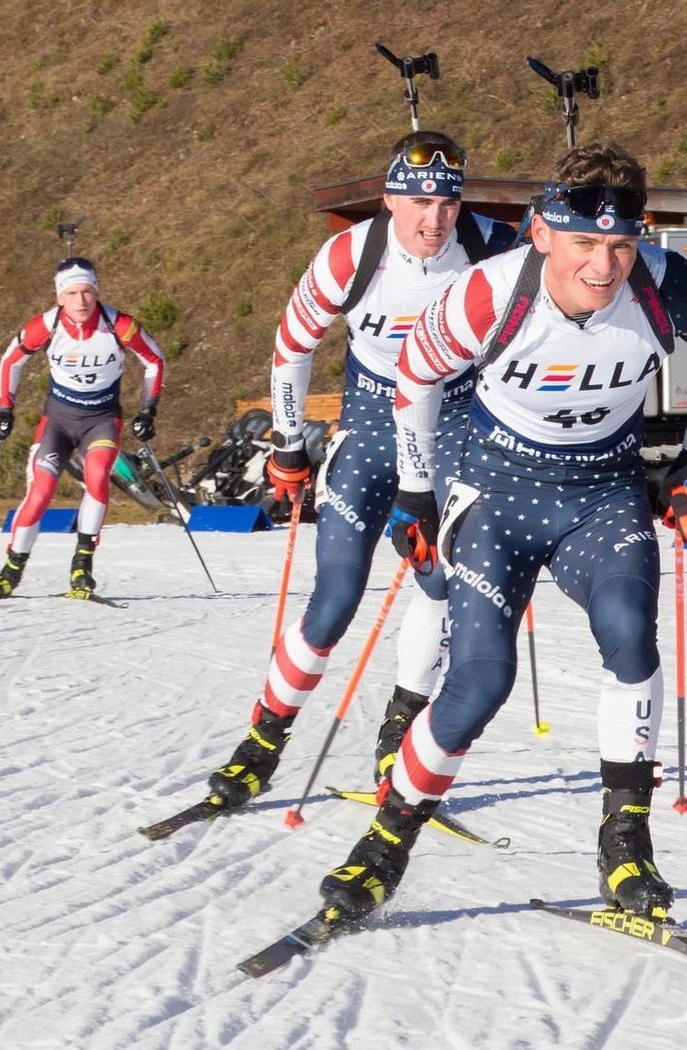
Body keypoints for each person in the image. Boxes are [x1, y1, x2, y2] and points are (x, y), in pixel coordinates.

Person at [318, 139, 687, 924]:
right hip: (499, 496)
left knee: (630, 636)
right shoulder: (488, 293)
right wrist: (415, 495)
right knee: (481, 682)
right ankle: (385, 843)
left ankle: (626, 844)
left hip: (601, 495)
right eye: (584, 244)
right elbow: (414, 375)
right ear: (543, 233)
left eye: (622, 246)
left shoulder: (663, 285)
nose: (603, 268)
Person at [205, 131, 515, 808]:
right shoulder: (353, 253)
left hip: (453, 433)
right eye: (417, 202)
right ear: (388, 199)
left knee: (442, 590)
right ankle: (262, 741)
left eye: (446, 203)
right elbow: (293, 343)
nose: (433, 220)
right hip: (372, 432)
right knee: (335, 599)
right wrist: (288, 444)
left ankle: (400, 732)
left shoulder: (497, 246)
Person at [0, 257, 165, 598]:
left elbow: (154, 359)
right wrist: (5, 407)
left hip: (102, 420)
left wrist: (148, 410)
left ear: (97, 292)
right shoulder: (46, 326)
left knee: (96, 478)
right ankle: (11, 571)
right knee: (41, 492)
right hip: (58, 421)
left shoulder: (119, 325)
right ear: (60, 296)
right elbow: (10, 361)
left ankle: (82, 566)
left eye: (88, 291)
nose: (81, 301)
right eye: (73, 293)